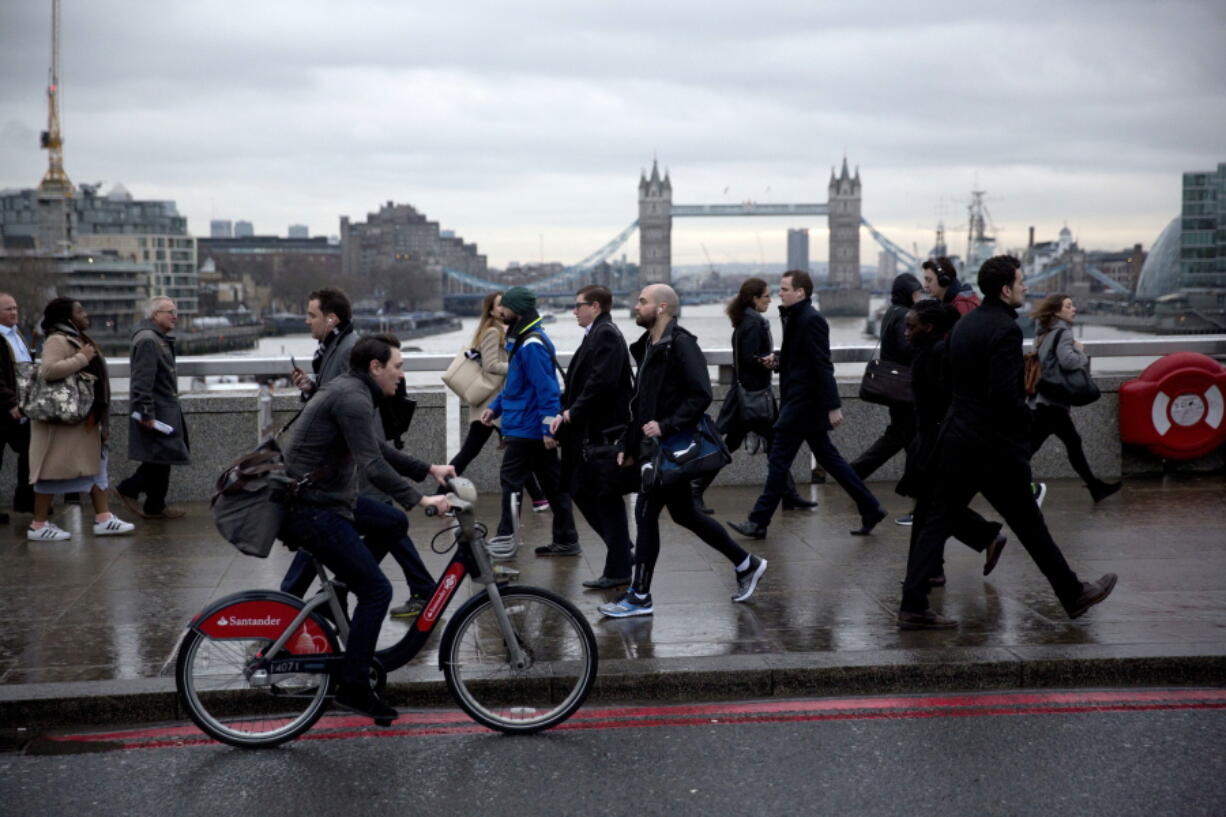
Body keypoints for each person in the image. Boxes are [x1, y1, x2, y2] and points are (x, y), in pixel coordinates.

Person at [897, 256, 1117, 630]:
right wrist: (1024, 433)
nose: (1025, 287)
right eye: (1020, 281)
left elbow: (957, 383)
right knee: (1030, 525)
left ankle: (913, 606)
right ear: (1005, 289)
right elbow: (1005, 397)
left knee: (936, 522)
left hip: (957, 439)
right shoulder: (1005, 330)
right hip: (992, 447)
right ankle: (1072, 593)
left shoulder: (966, 324)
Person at [279, 334, 452, 723]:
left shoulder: (351, 390)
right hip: (312, 509)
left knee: (392, 521)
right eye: (398, 366)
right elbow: (372, 466)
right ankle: (355, 688)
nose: (401, 375)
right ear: (376, 368)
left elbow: (379, 449)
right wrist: (422, 499)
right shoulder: (353, 397)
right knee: (377, 590)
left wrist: (430, 470)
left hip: (329, 500)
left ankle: (339, 590)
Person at [598, 284, 767, 618]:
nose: (636, 306)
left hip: (672, 448)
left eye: (642, 301)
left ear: (662, 308)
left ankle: (640, 596)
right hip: (654, 450)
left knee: (645, 513)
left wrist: (667, 425)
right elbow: (641, 405)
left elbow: (701, 394)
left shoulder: (681, 343)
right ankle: (747, 563)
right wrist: (629, 446)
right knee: (685, 514)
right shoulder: (649, 345)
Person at [728, 270, 887, 540]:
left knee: (778, 460)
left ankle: (758, 521)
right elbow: (800, 360)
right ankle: (870, 507)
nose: (781, 292)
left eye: (786, 288)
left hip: (803, 403)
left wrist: (834, 405)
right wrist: (777, 362)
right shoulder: (796, 316)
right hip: (801, 401)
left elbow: (822, 364)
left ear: (801, 292)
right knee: (831, 460)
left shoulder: (811, 319)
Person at [896, 300, 1006, 587]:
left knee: (933, 510)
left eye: (911, 326)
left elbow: (944, 401)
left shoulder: (936, 355)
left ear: (928, 327)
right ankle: (927, 572)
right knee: (929, 509)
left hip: (936, 443)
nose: (905, 332)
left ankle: (922, 578)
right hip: (931, 440)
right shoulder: (929, 352)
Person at [480, 286, 580, 556]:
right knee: (553, 484)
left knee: (510, 479)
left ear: (518, 311)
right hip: (527, 424)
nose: (501, 312)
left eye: (505, 307)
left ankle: (506, 539)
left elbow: (546, 389)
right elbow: (517, 384)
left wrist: (549, 428)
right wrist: (495, 407)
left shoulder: (531, 344)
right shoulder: (522, 339)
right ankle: (567, 539)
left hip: (529, 428)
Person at [25, 299, 135, 541]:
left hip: (84, 419)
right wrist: (82, 358)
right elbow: (49, 370)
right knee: (51, 471)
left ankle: (104, 518)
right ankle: (38, 524)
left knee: (96, 467)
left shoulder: (76, 337)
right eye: (80, 311)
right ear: (66, 317)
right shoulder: (57, 339)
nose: (86, 314)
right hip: (63, 422)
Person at [704, 278, 815, 514]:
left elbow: (743, 359)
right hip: (754, 397)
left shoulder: (744, 320)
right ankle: (693, 490)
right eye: (766, 296)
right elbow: (748, 359)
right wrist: (769, 361)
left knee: (737, 445)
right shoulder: (755, 323)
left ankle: (789, 495)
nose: (770, 299)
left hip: (745, 396)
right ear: (754, 298)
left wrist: (764, 360)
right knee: (772, 446)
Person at [550, 285, 635, 589]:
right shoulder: (597, 333)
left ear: (595, 306)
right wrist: (565, 409)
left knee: (603, 497)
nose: (574, 311)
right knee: (585, 492)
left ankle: (619, 567)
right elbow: (585, 381)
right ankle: (623, 554)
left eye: (578, 305)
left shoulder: (606, 334)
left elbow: (602, 381)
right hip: (589, 432)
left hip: (601, 433)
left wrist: (573, 412)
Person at [441, 290, 548, 512]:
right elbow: (490, 365)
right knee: (474, 451)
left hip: (497, 403)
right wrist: (519, 367)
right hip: (489, 404)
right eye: (499, 305)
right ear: (491, 310)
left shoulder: (506, 331)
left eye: (505, 304)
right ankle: (440, 495)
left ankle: (538, 499)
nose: (503, 308)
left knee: (516, 451)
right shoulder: (492, 332)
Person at [1028, 294, 1121, 503]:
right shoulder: (1063, 333)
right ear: (1057, 312)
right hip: (1052, 402)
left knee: (1068, 442)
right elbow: (1068, 361)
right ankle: (1009, 484)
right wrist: (1081, 352)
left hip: (1043, 399)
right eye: (1069, 306)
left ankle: (1096, 487)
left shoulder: (1043, 334)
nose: (1074, 309)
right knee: (1034, 447)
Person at [117, 297, 189, 519]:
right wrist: (146, 412)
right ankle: (129, 488)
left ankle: (155, 505)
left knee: (161, 458)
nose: (174, 316)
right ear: (155, 315)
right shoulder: (149, 340)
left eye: (175, 311)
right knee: (159, 457)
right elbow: (142, 381)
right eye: (169, 312)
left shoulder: (157, 337)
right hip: (157, 410)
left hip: (164, 409)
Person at [851, 273, 923, 483]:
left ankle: (920, 481)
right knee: (900, 436)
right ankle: (854, 472)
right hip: (904, 387)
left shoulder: (893, 311)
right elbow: (906, 347)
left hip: (896, 385)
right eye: (916, 293)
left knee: (907, 437)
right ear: (907, 294)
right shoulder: (904, 315)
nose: (919, 298)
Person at [0, 291, 35, 521]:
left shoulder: (16, 335)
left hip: (21, 407)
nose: (14, 312)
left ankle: (26, 501)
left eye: (15, 308)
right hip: (5, 407)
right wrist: (10, 402)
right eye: (8, 309)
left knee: (30, 452)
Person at [291, 288, 358, 402]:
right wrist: (311, 389)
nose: (307, 321)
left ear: (331, 319)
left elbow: (352, 403)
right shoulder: (332, 345)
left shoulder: (349, 351)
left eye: (312, 316)